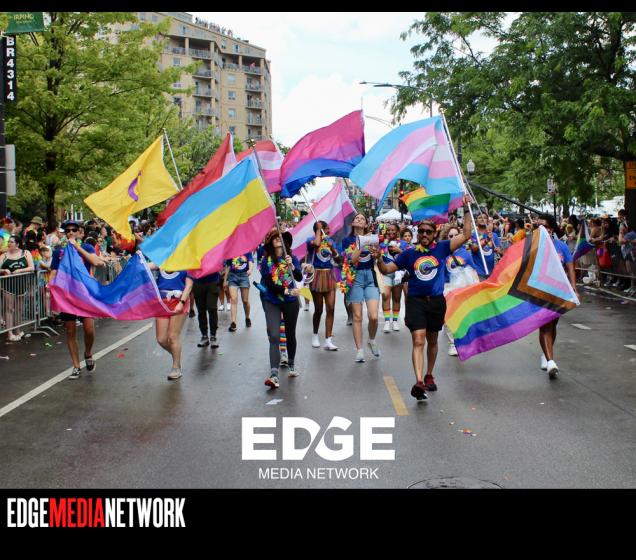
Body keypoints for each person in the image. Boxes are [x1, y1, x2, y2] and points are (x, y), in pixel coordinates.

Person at [373, 196, 473, 401]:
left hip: (436, 302)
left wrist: (466, 208)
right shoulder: (408, 254)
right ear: (418, 234)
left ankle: (429, 375)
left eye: (428, 232)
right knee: (418, 340)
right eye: (422, 232)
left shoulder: (442, 248)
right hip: (416, 301)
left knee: (432, 340)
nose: (425, 234)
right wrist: (379, 258)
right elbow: (386, 270)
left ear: (434, 234)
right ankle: (418, 381)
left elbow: (466, 234)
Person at [47, 221, 106, 379]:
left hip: (84, 295)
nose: (71, 232)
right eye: (68, 230)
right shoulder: (59, 251)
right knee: (70, 330)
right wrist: (50, 285)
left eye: (74, 230)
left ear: (80, 232)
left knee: (89, 329)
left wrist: (77, 248)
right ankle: (76, 366)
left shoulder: (86, 247)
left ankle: (88, 353)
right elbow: (54, 271)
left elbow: (96, 262)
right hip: (67, 296)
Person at [258, 227, 303, 388]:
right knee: (274, 335)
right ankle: (274, 374)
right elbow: (269, 284)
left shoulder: (292, 258)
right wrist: (286, 290)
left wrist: (292, 267)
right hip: (272, 300)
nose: (278, 238)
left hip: (290, 301)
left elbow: (299, 277)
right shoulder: (266, 261)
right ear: (271, 242)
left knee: (290, 333)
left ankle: (291, 364)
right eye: (275, 237)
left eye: (281, 237)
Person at [536, 214, 578, 379]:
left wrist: (573, 287)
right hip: (540, 291)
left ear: (551, 229)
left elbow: (570, 267)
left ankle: (546, 354)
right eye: (539, 226)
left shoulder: (561, 246)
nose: (542, 229)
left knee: (553, 325)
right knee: (545, 326)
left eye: (545, 226)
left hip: (558, 292)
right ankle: (550, 360)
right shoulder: (533, 246)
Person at [339, 213, 381, 363]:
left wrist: (377, 252)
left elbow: (378, 257)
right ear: (352, 223)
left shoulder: (373, 238)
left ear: (366, 224)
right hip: (355, 278)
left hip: (370, 276)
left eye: (362, 219)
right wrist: (362, 242)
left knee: (374, 316)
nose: (359, 219)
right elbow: (353, 259)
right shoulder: (347, 240)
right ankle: (360, 350)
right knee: (357, 317)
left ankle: (371, 339)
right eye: (357, 218)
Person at [148, 265, 193, 380]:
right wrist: (138, 258)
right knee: (161, 339)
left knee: (173, 337)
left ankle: (176, 367)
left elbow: (189, 285)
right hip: (162, 303)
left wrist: (181, 302)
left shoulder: (187, 263)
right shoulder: (161, 261)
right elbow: (144, 266)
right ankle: (176, 355)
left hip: (179, 302)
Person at [442, 226, 479, 356]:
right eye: (450, 236)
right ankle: (452, 343)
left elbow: (473, 270)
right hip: (447, 289)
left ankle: (461, 340)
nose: (453, 238)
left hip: (463, 290)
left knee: (462, 316)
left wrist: (478, 287)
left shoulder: (465, 253)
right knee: (448, 316)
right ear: (447, 238)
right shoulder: (443, 252)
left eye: (455, 235)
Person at [306, 220, 340, 351]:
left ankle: (328, 340)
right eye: (326, 229)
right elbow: (317, 243)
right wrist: (318, 230)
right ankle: (315, 335)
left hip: (329, 275)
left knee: (331, 308)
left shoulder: (330, 241)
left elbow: (338, 260)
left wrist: (332, 248)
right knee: (319, 309)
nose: (329, 231)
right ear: (320, 230)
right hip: (317, 276)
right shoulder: (310, 240)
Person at [0, 235, 35, 341]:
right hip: (8, 286)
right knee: (9, 309)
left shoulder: (26, 253)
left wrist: (19, 271)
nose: (9, 243)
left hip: (21, 284)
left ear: (17, 244)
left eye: (11, 242)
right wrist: (4, 270)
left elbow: (32, 267)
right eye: (8, 242)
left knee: (19, 309)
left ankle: (18, 330)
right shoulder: (4, 255)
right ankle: (9, 333)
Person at [379, 223, 409, 333]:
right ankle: (387, 321)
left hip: (398, 274)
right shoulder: (383, 244)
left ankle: (395, 321)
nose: (390, 232)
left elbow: (409, 255)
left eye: (393, 230)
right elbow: (379, 258)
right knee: (385, 295)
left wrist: (399, 250)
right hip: (386, 273)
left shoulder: (403, 244)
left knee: (396, 298)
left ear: (397, 232)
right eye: (388, 230)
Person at [190, 271, 221, 349]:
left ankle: (213, 336)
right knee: (201, 310)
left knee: (212, 308)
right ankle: (204, 336)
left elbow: (221, 265)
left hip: (212, 281)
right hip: (198, 282)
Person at [224, 252, 254, 332]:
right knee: (233, 299)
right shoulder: (231, 251)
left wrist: (250, 270)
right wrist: (225, 280)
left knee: (245, 301)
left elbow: (250, 262)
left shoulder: (247, 251)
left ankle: (247, 317)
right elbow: (228, 266)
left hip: (244, 276)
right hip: (232, 276)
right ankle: (233, 323)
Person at [470, 212, 502, 279]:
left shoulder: (493, 235)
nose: (482, 219)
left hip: (491, 272)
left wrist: (499, 251)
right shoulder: (473, 235)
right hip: (478, 272)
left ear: (487, 221)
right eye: (480, 217)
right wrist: (486, 240)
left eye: (484, 218)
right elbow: (474, 249)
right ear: (476, 221)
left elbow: (501, 252)